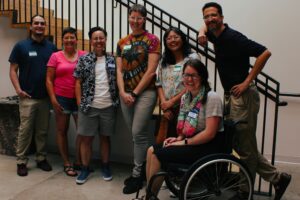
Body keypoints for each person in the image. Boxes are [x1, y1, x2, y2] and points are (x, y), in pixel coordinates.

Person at [198, 2, 291, 200]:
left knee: (245, 148)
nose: (210, 19)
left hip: (243, 96)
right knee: (240, 144)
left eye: (214, 15)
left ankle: (244, 191)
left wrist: (247, 82)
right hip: (231, 96)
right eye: (206, 16)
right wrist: (201, 31)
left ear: (222, 17)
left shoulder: (233, 38)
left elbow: (265, 52)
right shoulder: (216, 33)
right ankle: (277, 178)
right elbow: (207, 26)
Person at [146, 58, 224, 199]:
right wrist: (179, 138)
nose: (189, 79)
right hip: (191, 140)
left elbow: (210, 133)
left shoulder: (212, 98)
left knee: (159, 154)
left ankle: (150, 197)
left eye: (193, 75)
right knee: (151, 150)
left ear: (203, 77)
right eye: (186, 75)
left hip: (208, 145)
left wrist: (183, 143)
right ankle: (150, 194)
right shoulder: (186, 97)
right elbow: (187, 123)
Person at [116, 4, 161, 194]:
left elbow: (151, 71)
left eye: (139, 18)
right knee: (136, 135)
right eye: (132, 17)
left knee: (138, 132)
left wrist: (134, 93)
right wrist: (122, 92)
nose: (135, 21)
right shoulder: (122, 41)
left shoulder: (152, 40)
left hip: (145, 93)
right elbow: (118, 70)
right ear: (129, 18)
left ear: (145, 19)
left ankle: (137, 175)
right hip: (125, 93)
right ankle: (142, 169)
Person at [9, 14, 57, 176]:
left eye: (42, 23)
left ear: (45, 27)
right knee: (25, 131)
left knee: (42, 131)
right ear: (31, 26)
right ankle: (21, 161)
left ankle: (41, 158)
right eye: (36, 23)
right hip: (27, 97)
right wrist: (18, 90)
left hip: (44, 98)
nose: (39, 26)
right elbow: (13, 70)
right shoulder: (21, 46)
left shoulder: (51, 47)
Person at [73, 27, 119, 184]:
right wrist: (80, 103)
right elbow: (77, 82)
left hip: (108, 106)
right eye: (95, 38)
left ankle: (105, 166)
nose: (99, 41)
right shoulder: (84, 59)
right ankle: (85, 168)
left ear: (106, 39)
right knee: (86, 140)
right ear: (91, 41)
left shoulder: (113, 60)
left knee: (105, 138)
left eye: (101, 38)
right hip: (88, 107)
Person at [46, 27, 86, 176]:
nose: (69, 40)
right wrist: (53, 99)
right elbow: (49, 80)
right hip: (61, 98)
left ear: (77, 40)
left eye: (72, 37)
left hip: (79, 99)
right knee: (62, 131)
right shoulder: (55, 56)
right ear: (62, 39)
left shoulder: (84, 55)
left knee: (82, 131)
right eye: (66, 37)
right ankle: (66, 163)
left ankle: (78, 160)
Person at [155, 27, 201, 143]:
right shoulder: (163, 61)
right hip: (168, 108)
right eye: (169, 38)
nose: (172, 40)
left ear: (183, 39)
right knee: (163, 142)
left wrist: (172, 102)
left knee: (180, 141)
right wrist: (164, 104)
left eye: (176, 37)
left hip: (186, 107)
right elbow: (158, 83)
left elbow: (193, 84)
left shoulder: (192, 58)